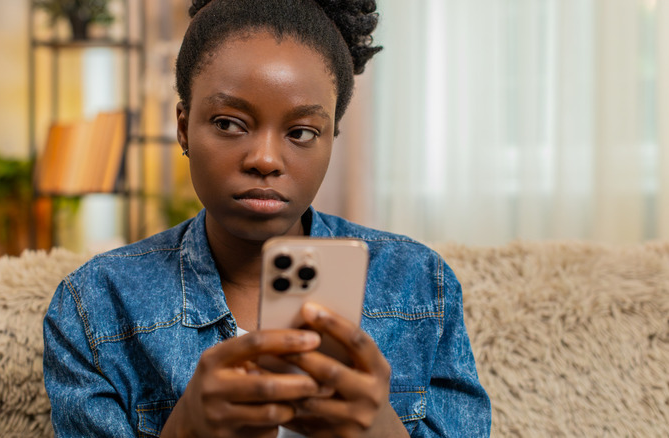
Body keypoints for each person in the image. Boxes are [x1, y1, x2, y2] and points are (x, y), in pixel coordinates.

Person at [43, 0, 491, 436]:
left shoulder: (419, 284)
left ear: (332, 138)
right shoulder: (95, 306)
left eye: (301, 132)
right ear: (183, 128)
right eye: (229, 123)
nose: (265, 159)